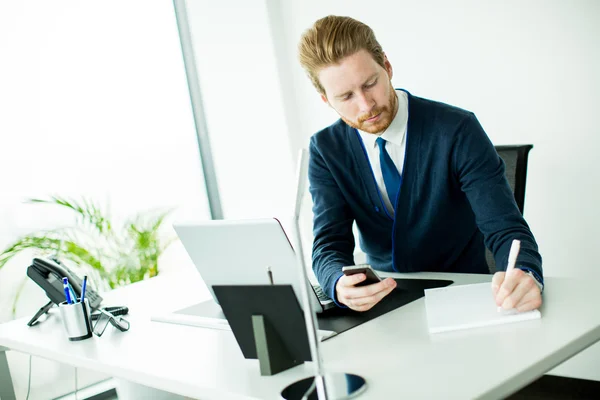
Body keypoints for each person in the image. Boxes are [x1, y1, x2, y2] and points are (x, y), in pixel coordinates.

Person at [297, 15, 543, 313]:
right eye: (346, 96)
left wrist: (525, 275)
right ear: (326, 100)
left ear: (387, 67)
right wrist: (336, 282)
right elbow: (328, 244)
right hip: (386, 304)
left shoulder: (457, 129)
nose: (366, 105)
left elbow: (505, 228)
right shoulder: (325, 150)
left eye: (371, 83)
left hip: (464, 296)